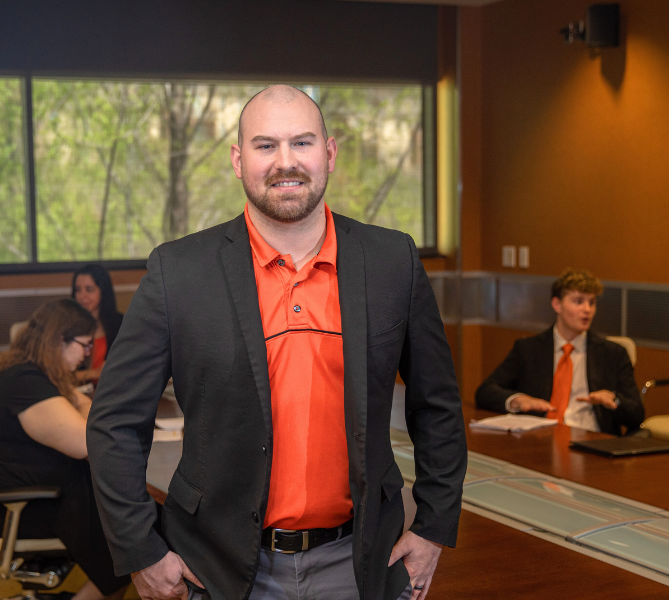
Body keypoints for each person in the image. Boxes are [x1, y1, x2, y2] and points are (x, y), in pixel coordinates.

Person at [87, 85, 466, 600]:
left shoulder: (391, 262)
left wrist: (434, 527)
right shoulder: (177, 272)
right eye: (266, 146)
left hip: (359, 561)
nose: (285, 162)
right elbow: (114, 423)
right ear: (238, 161)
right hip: (215, 565)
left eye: (302, 143)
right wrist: (141, 550)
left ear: (328, 153)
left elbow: (438, 406)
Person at [0, 299, 129, 600]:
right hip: (33, 506)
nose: (86, 355)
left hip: (41, 492)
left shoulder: (28, 372)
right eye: (84, 345)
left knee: (127, 528)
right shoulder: (26, 384)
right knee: (128, 545)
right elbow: (87, 443)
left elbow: (82, 405)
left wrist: (81, 405)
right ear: (59, 340)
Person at [475, 269, 643, 435]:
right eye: (578, 301)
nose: (587, 309)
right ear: (557, 305)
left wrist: (615, 401)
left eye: (591, 302)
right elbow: (485, 392)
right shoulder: (528, 349)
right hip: (540, 439)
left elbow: (637, 414)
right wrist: (517, 400)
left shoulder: (612, 354)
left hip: (590, 438)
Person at [71, 264, 124, 385]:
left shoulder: (121, 323)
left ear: (103, 291)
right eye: (78, 290)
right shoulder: (68, 325)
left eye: (89, 290)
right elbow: (58, 376)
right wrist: (94, 373)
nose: (82, 296)